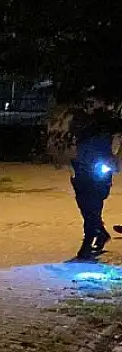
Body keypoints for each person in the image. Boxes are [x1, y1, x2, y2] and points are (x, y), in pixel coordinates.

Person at [70, 107, 118, 260]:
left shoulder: (105, 133)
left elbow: (111, 156)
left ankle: (88, 241)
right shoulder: (81, 132)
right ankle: (100, 233)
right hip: (83, 173)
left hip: (96, 176)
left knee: (92, 208)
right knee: (87, 209)